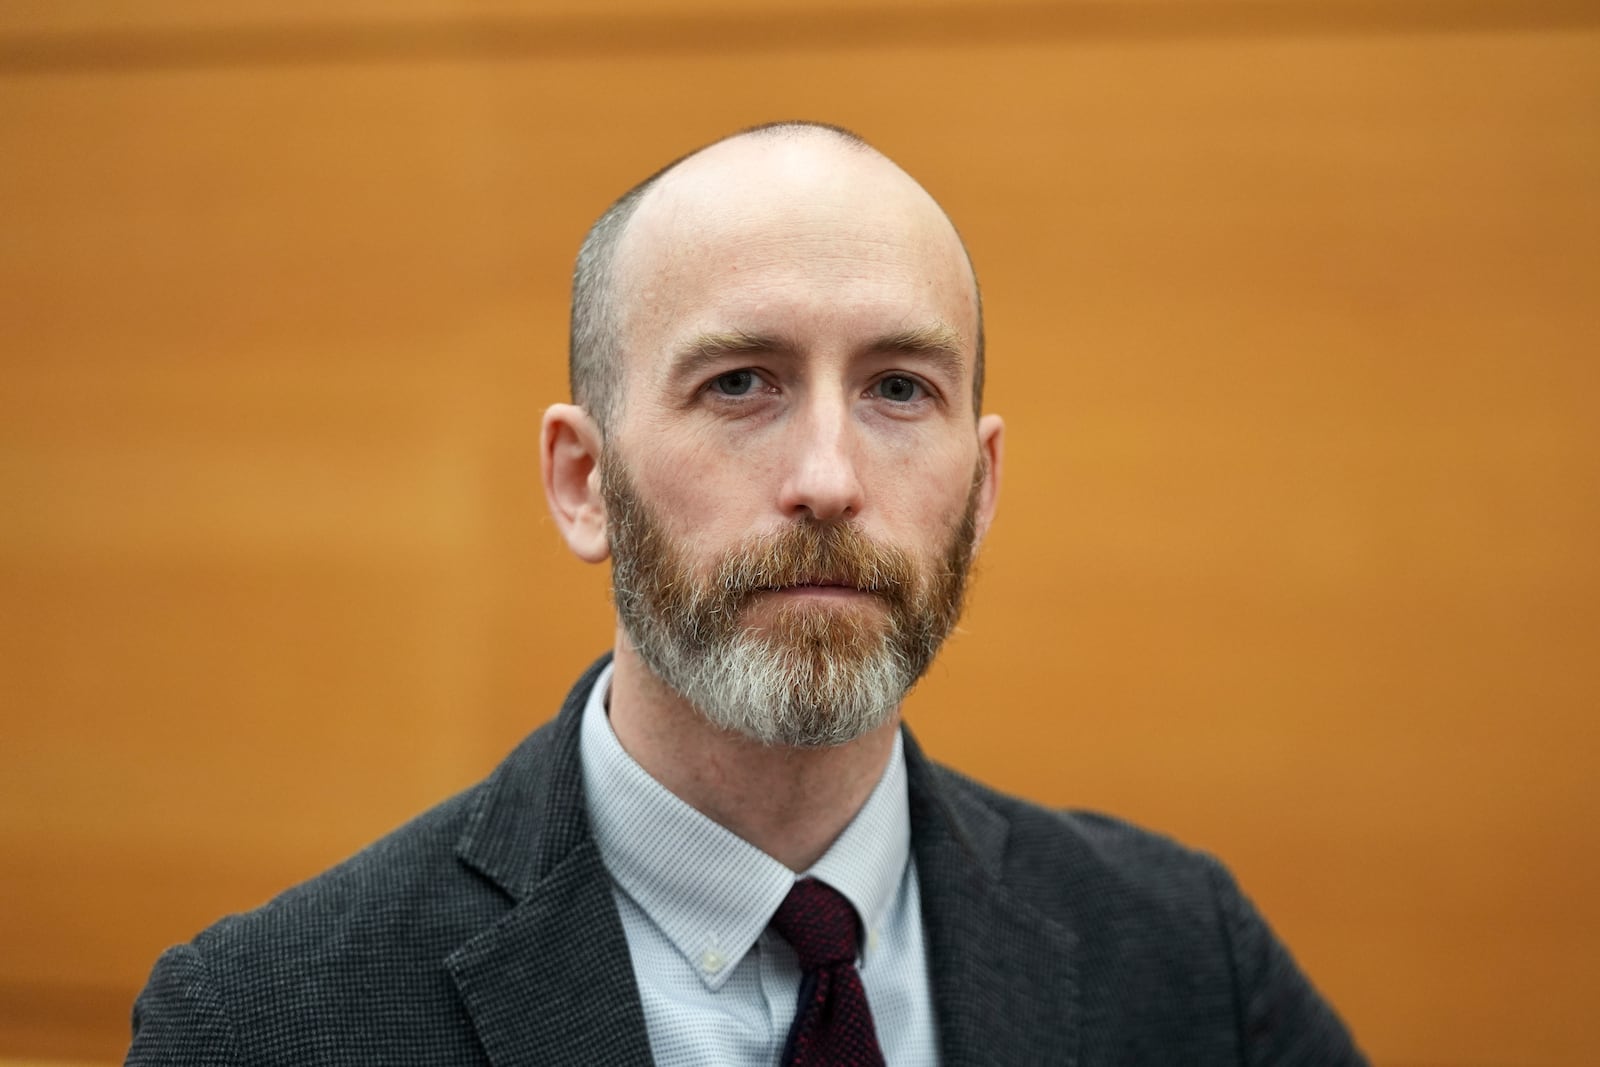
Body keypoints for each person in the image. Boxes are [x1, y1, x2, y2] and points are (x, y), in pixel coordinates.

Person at [127, 122, 1367, 1066]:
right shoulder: (262, 1023)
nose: (828, 478)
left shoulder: (1185, 962)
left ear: (980, 487)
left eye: (897, 390)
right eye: (739, 383)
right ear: (583, 481)